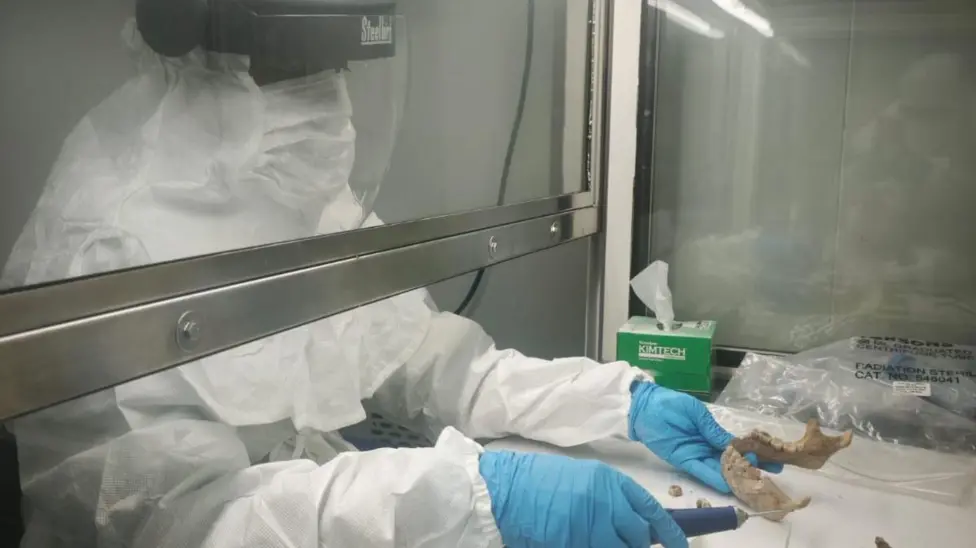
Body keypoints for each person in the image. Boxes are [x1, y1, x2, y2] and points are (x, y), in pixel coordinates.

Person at [3, 23, 780, 548]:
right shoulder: (102, 243)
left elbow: (437, 362)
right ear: (206, 54)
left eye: (342, 71)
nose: (333, 104)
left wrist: (619, 402)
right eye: (299, 73)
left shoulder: (294, 186)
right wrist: (465, 497)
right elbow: (183, 526)